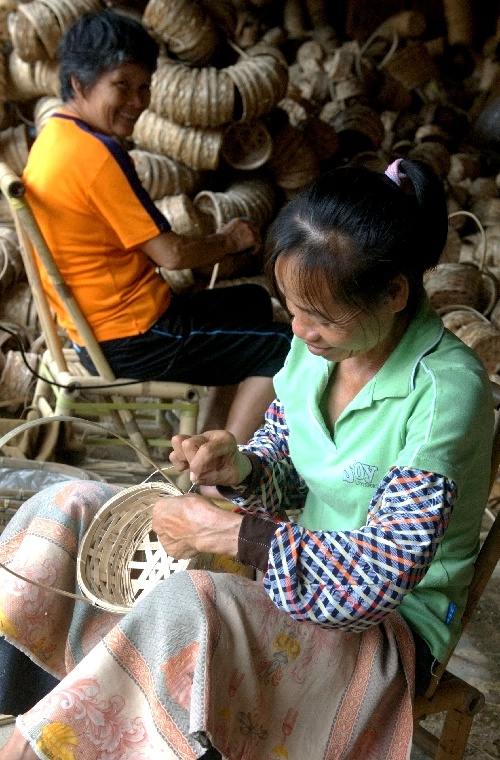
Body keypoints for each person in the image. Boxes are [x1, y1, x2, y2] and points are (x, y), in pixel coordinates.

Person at [0, 159, 494, 760]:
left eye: (322, 316)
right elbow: (285, 467)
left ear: (394, 292)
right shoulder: (317, 351)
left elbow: (376, 581)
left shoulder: (445, 391)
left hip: (387, 630)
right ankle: (36, 715)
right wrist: (241, 469)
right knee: (65, 510)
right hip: (292, 569)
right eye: (292, 307)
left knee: (191, 609)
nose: (301, 330)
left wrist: (231, 532)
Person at [23, 9, 292, 445]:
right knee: (287, 349)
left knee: (253, 302)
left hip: (98, 332)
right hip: (137, 338)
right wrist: (230, 240)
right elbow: (172, 255)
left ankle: (209, 435)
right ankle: (217, 471)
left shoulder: (54, 138)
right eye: (122, 86)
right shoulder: (95, 156)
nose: (137, 101)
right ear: (78, 83)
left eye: (143, 86)